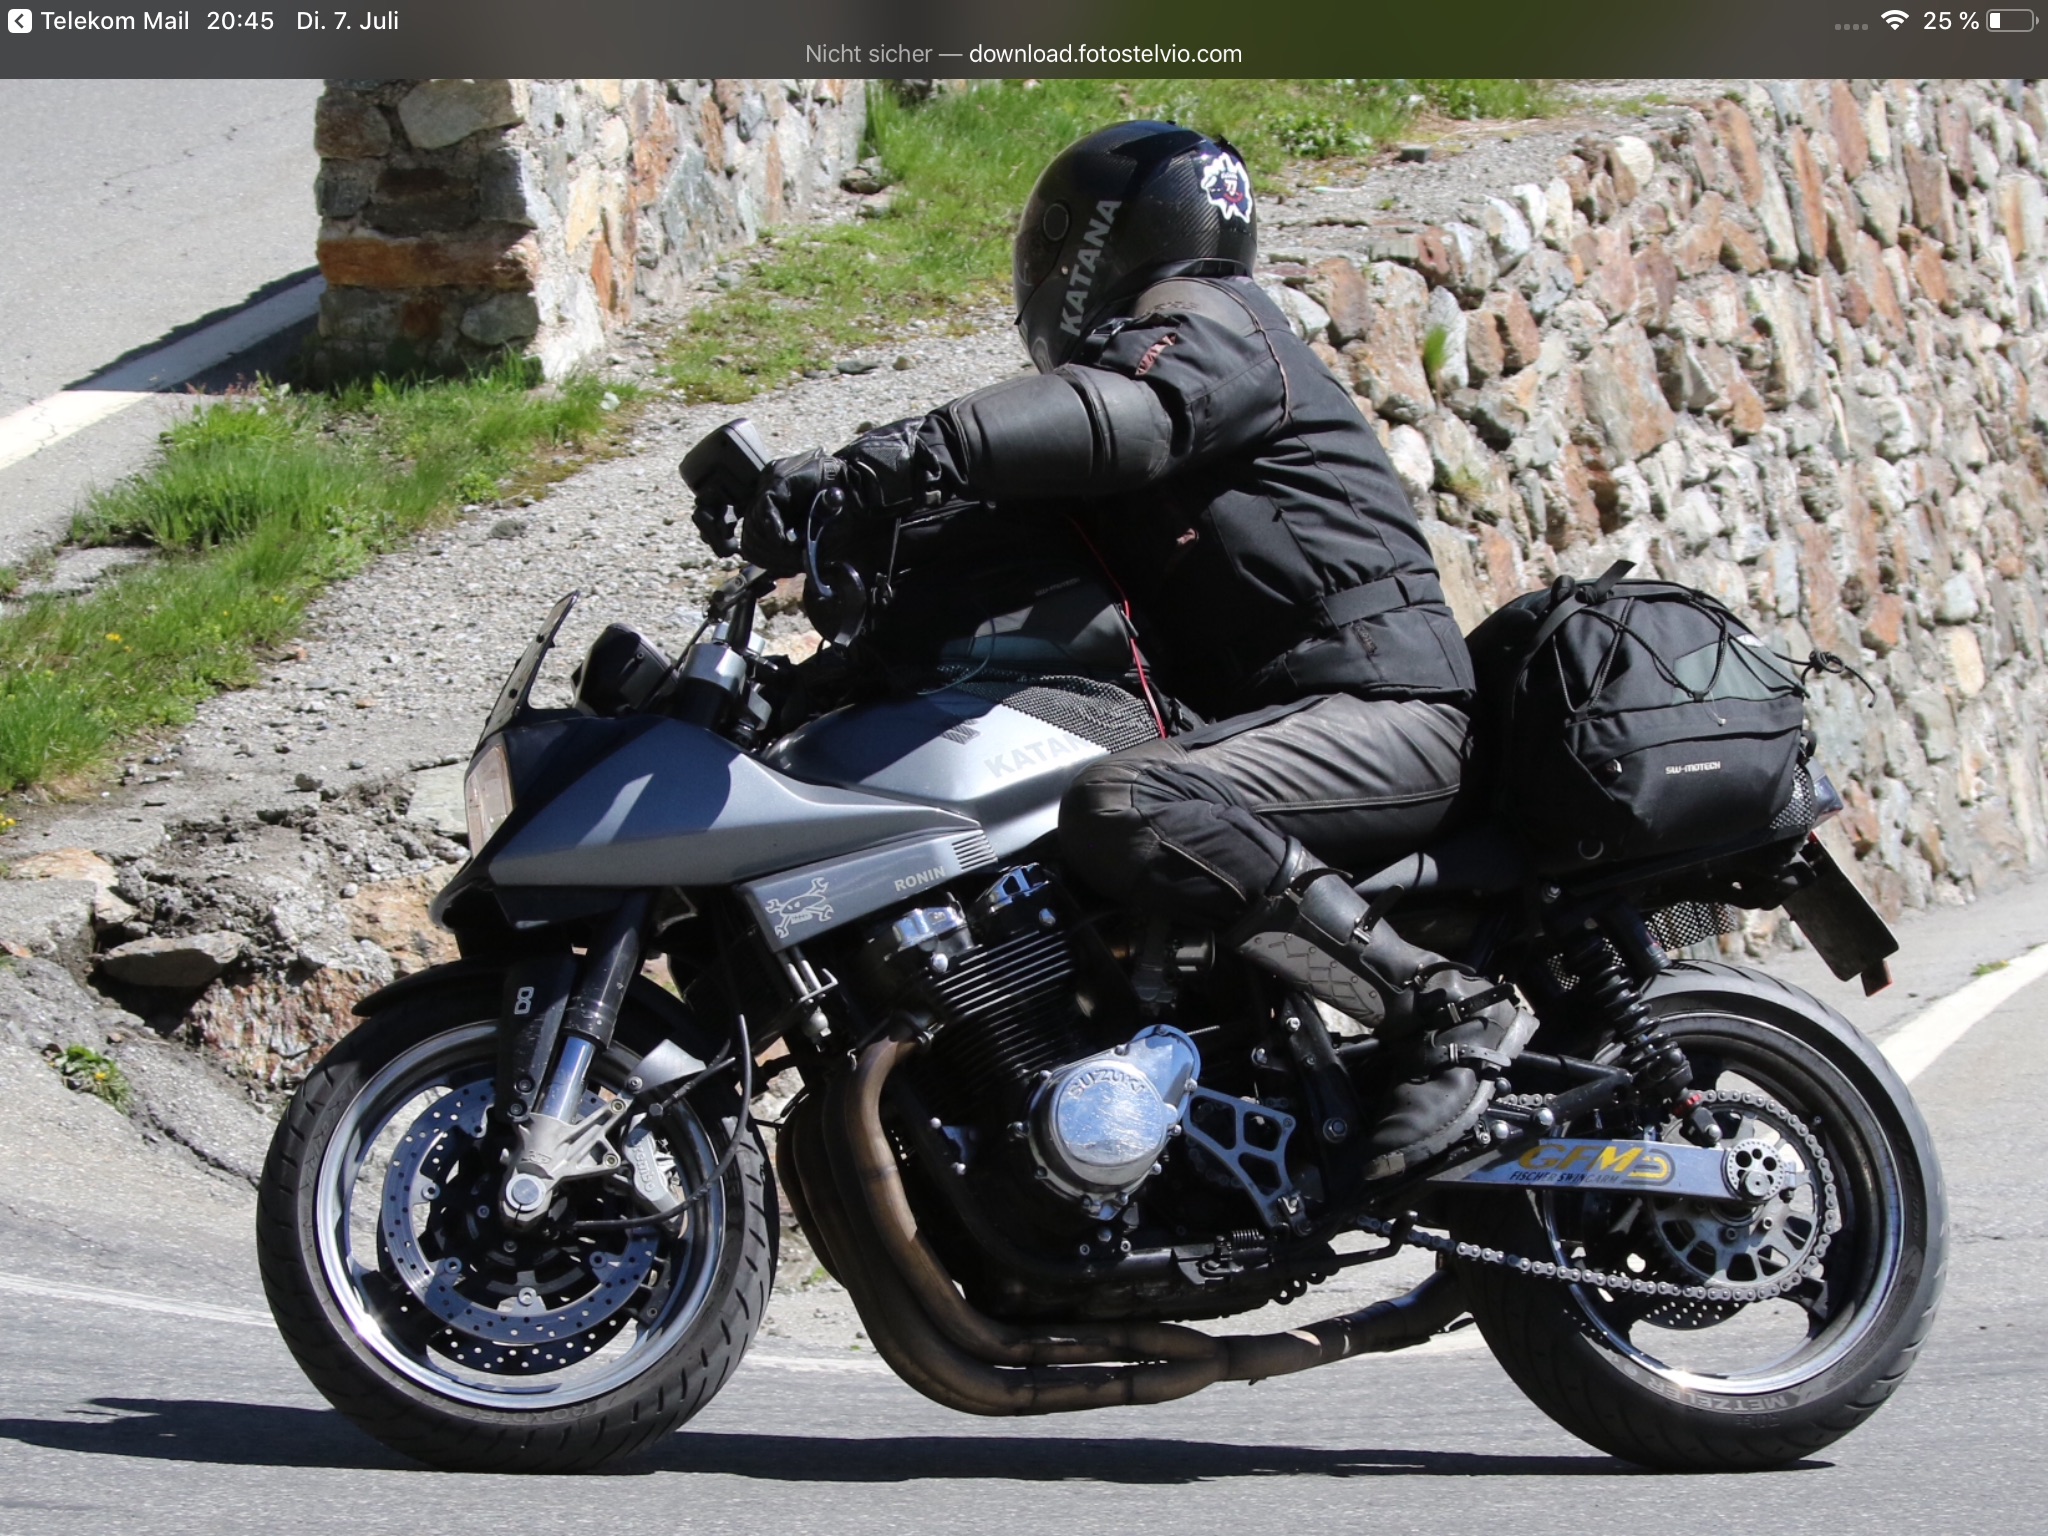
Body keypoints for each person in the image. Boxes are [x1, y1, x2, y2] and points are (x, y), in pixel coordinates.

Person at [703, 121, 1536, 1181]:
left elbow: (1124, 414)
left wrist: (898, 454)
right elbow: (986, 571)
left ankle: (1443, 1008)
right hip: (1276, 729)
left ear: (1091, 239)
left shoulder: (1211, 323)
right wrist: (823, 621)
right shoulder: (1122, 429)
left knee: (1127, 803)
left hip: (1388, 713)